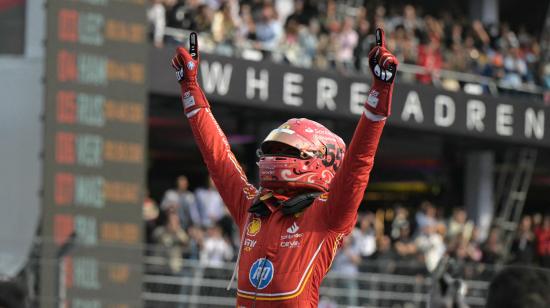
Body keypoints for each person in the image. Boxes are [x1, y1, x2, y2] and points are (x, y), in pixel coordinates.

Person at [170, 28, 397, 306]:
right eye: (273, 149)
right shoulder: (253, 207)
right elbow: (217, 158)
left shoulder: (328, 215)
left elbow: (357, 165)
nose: (275, 157)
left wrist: (380, 93)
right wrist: (190, 89)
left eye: (287, 150)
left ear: (320, 160)